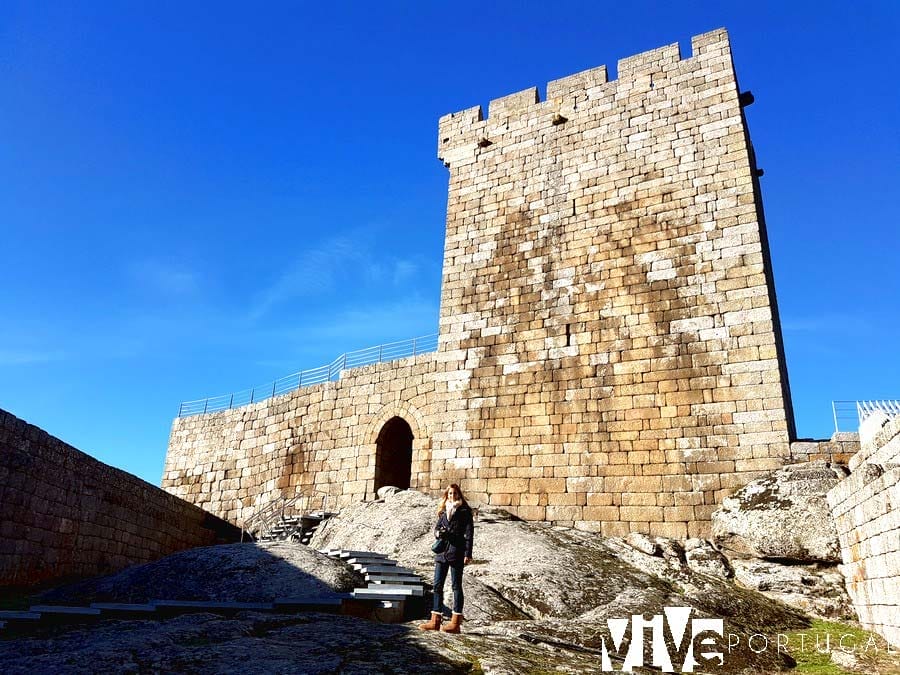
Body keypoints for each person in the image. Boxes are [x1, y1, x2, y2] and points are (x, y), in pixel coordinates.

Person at [419, 483, 474, 634]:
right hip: (442, 553)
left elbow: (469, 535)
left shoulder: (465, 511)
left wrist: (467, 554)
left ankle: (455, 623)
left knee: (456, 586)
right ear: (446, 495)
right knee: (437, 585)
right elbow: (437, 528)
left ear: (459, 495)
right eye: (450, 494)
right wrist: (439, 533)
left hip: (456, 552)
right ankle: (435, 620)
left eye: (455, 493)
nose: (452, 496)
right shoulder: (443, 512)